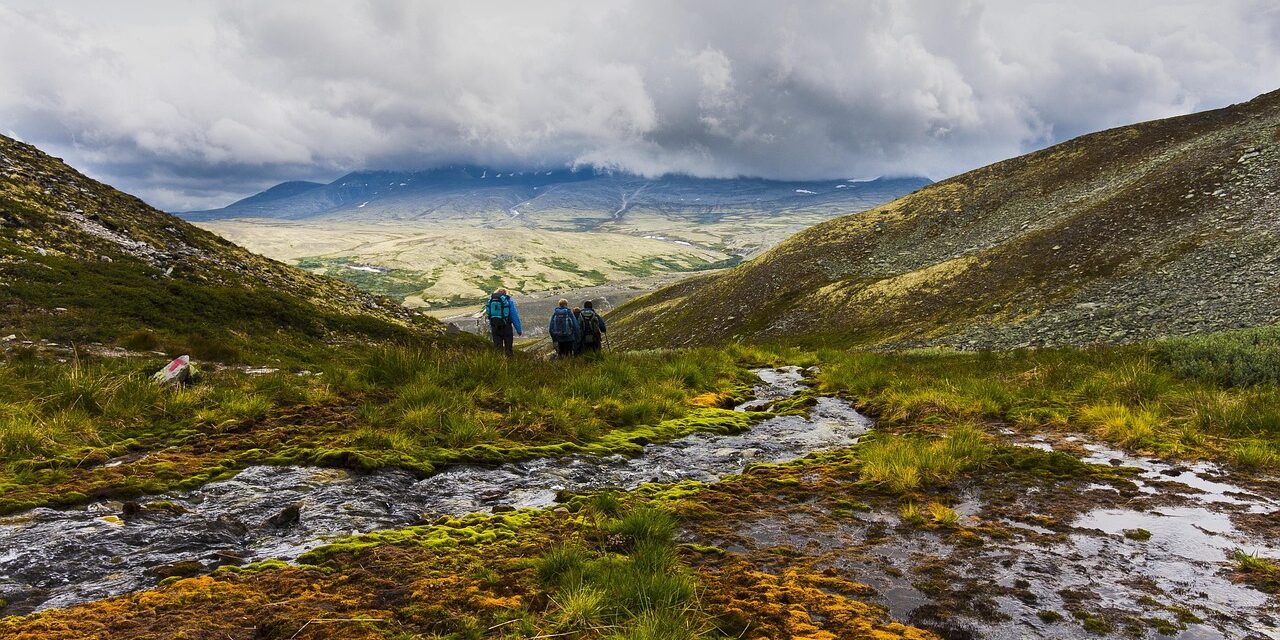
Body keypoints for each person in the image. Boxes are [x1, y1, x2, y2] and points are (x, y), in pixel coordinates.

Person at [483, 288, 522, 355]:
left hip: (495, 326)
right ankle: (509, 362)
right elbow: (514, 316)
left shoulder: (491, 300)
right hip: (506, 327)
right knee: (508, 348)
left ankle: (498, 362)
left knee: (498, 348)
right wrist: (519, 330)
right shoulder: (508, 301)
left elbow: (488, 313)